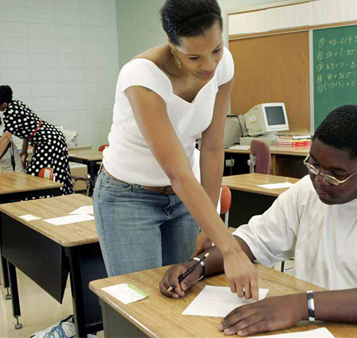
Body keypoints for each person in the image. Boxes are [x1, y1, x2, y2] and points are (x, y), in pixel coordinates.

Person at [160, 105, 357, 336]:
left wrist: (300, 306)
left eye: (336, 174)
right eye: (314, 165)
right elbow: (254, 240)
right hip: (311, 327)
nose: (320, 180)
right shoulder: (306, 192)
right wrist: (198, 266)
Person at [93, 0, 256, 297]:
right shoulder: (142, 76)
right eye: (194, 57)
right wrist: (229, 248)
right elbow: (177, 171)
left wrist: (210, 225)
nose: (208, 66)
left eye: (216, 50)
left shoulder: (224, 65)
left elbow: (212, 146)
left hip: (183, 199)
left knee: (180, 290)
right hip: (128, 197)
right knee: (140, 300)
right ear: (171, 42)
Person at [0, 85, 73, 195]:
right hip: (50, 138)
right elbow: (28, 131)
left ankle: (49, 199)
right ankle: (55, 197)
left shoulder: (10, 112)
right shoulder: (17, 104)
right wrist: (24, 150)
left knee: (36, 176)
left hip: (48, 141)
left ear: (4, 104)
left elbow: (6, 137)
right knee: (50, 172)